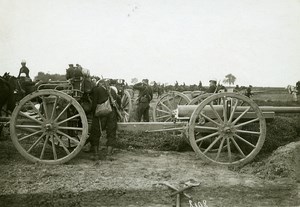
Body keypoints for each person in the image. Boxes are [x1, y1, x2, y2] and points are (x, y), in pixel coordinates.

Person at [89, 79, 120, 160]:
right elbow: (117, 102)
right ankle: (108, 155)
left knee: (95, 132)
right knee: (111, 133)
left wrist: (93, 113)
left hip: (100, 114)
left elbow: (94, 103)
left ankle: (96, 155)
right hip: (112, 114)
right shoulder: (112, 91)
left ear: (100, 84)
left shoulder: (97, 90)